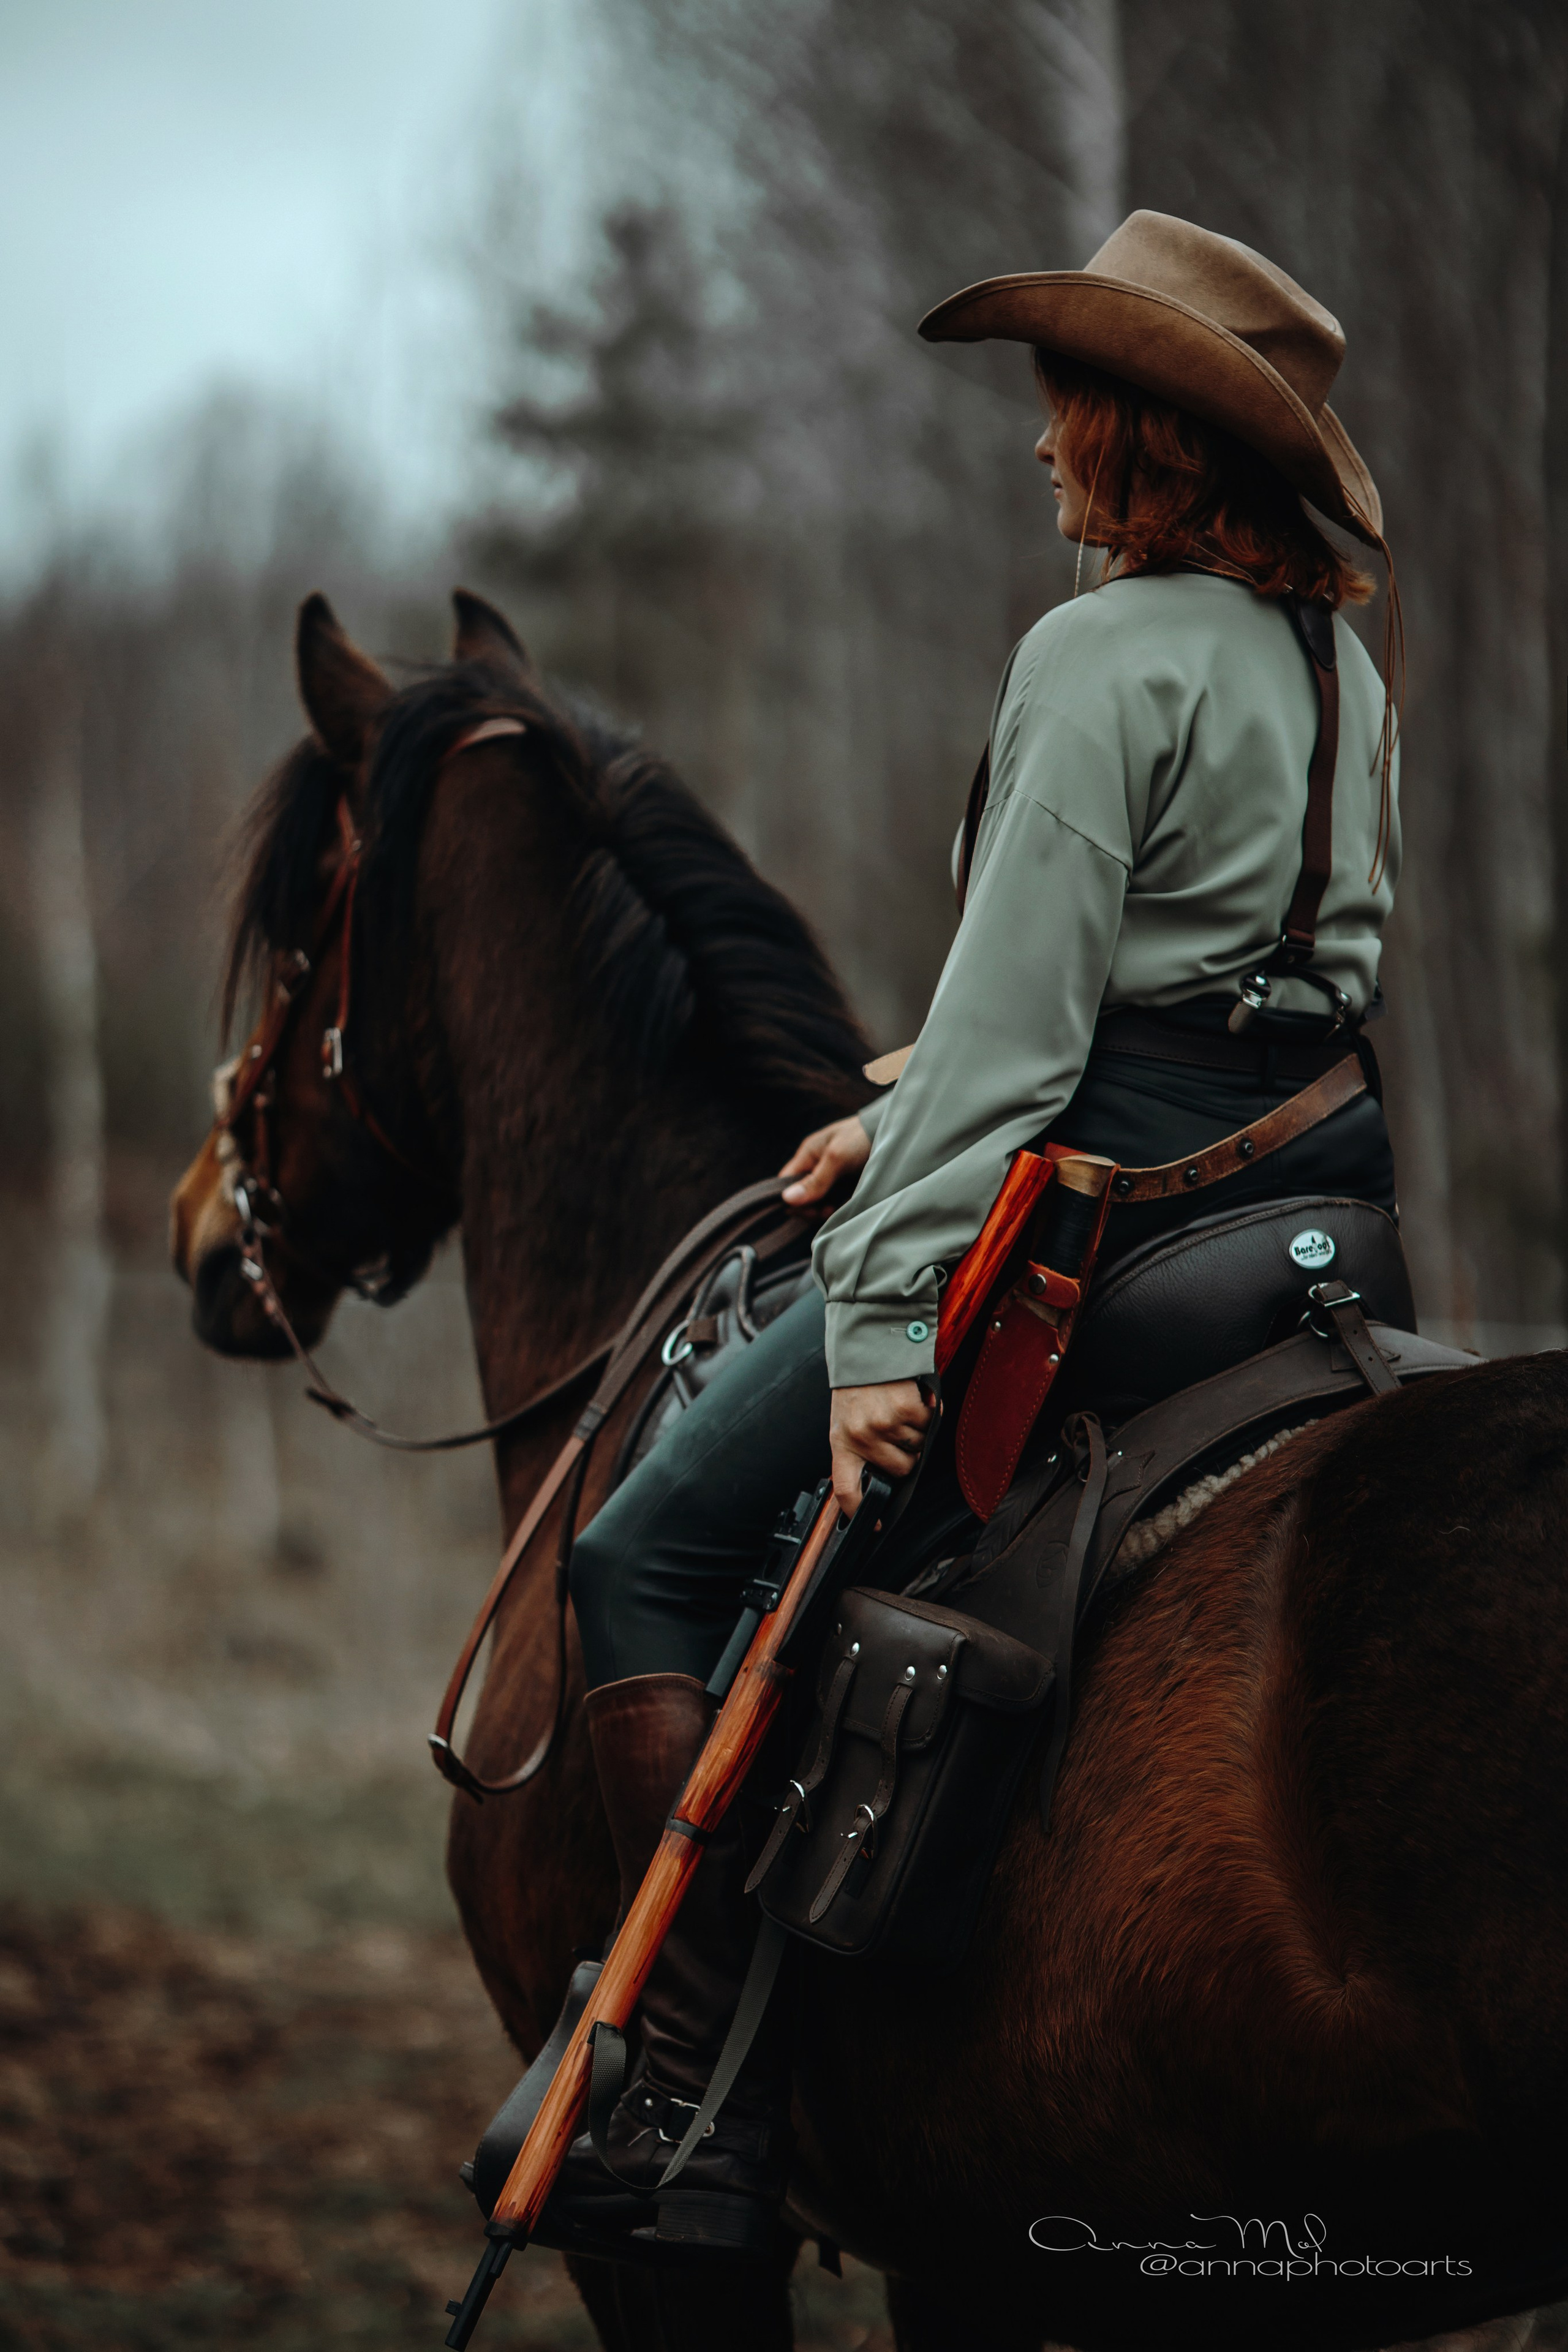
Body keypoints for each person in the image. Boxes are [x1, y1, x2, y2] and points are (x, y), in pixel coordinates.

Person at [551, 209, 1402, 2255]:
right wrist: (906, 1090)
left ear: (1154, 437)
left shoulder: (1095, 656)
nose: (1038, 445)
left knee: (639, 1548)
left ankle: (683, 2104)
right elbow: (1217, 972)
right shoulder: (1339, 664)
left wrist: (877, 1327)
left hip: (1104, 1219)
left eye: (1064, 404)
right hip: (1307, 1203)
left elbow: (1034, 1044)